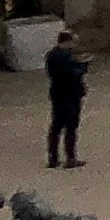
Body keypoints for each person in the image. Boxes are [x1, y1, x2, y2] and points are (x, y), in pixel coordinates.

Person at [43, 31, 88, 168]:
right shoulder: (65, 57)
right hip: (69, 94)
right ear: (67, 41)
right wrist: (83, 65)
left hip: (57, 94)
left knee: (56, 125)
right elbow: (73, 73)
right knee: (71, 126)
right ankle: (70, 158)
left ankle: (53, 158)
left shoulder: (51, 55)